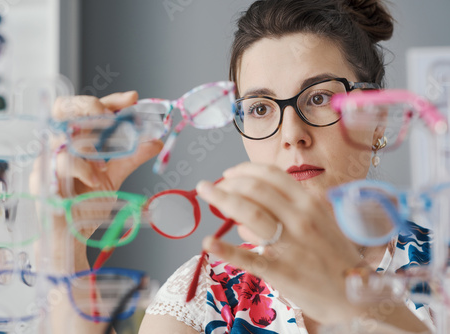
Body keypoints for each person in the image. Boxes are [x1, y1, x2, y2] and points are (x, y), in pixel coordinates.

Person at [38, 0, 434, 333]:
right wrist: (65, 242)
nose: (292, 134)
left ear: (377, 115)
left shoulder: (440, 272)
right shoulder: (199, 296)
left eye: (319, 99)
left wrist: (354, 302)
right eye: (261, 108)